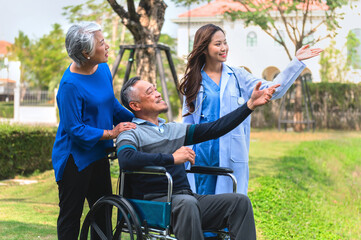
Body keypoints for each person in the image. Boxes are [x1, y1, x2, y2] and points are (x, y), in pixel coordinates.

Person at [116, 76, 280, 240]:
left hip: (186, 199)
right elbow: (126, 159)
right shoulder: (131, 131)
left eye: (155, 88)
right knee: (187, 203)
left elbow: (214, 129)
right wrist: (171, 158)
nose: (158, 94)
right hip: (154, 204)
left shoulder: (173, 129)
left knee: (239, 202)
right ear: (135, 105)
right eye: (150, 92)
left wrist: (249, 106)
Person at [179, 23, 324, 196]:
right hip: (201, 156)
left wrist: (296, 62)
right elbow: (187, 123)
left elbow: (274, 89)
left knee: (229, 208)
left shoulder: (238, 76)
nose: (224, 48)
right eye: (218, 44)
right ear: (203, 48)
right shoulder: (192, 81)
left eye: (225, 42)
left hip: (230, 154)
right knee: (202, 207)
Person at [51, 22, 136, 240]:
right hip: (74, 159)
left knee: (103, 212)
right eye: (102, 43)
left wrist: (140, 118)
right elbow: (75, 129)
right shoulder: (70, 86)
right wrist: (111, 133)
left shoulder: (104, 69)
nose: (107, 45)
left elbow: (111, 106)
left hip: (98, 154)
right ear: (86, 52)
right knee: (71, 216)